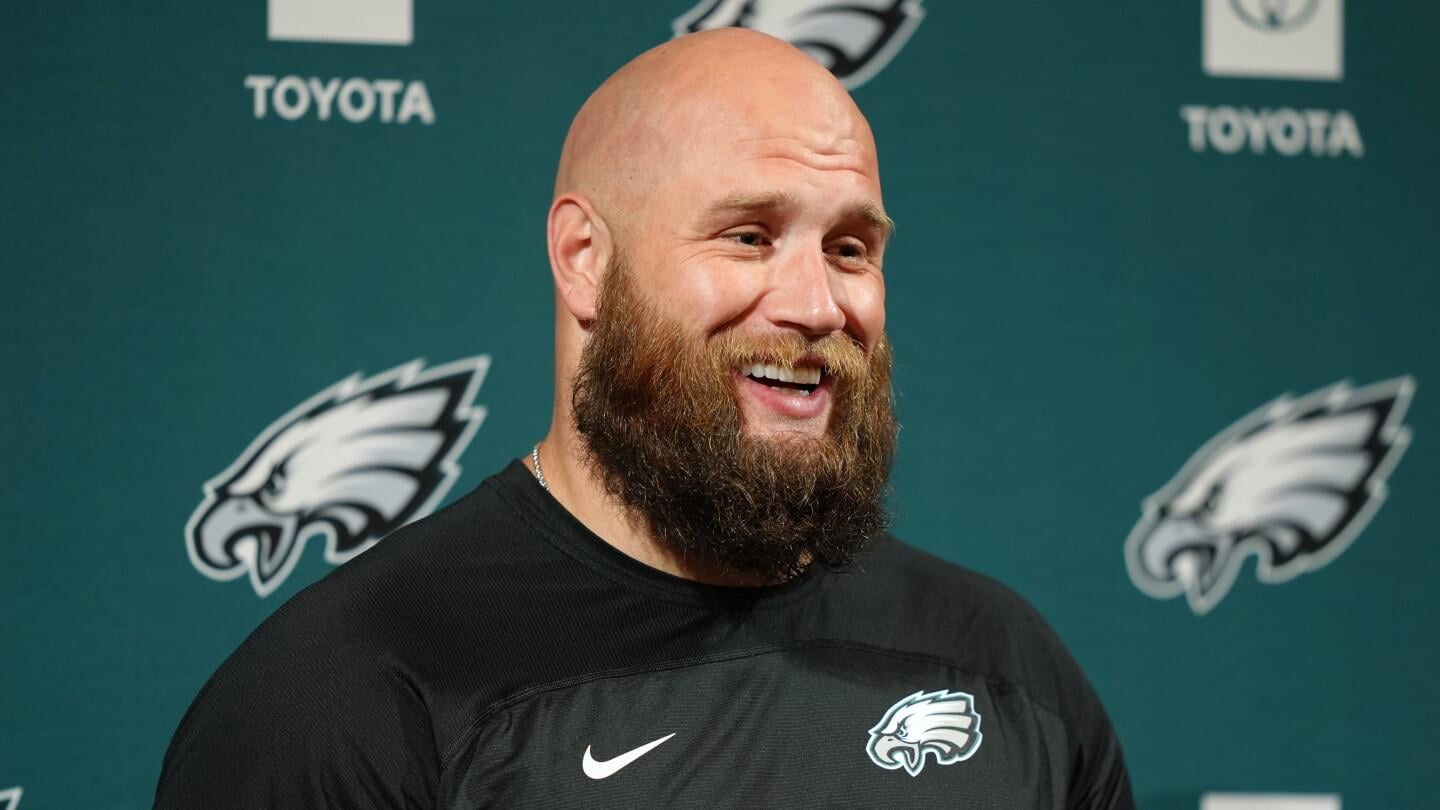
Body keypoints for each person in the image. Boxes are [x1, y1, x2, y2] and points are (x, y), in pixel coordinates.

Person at [155, 29, 1132, 808]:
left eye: (849, 248)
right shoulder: (351, 696)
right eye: (748, 236)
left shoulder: (1005, 667)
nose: (816, 306)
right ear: (585, 259)